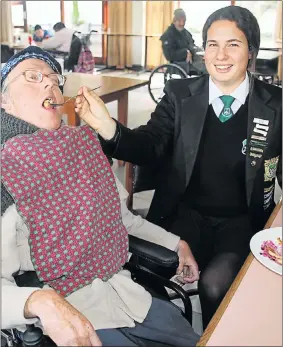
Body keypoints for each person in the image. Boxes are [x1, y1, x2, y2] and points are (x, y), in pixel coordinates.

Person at [75, 6, 282, 329]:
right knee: (147, 279)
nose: (221, 55)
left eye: (233, 44)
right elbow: (151, 144)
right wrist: (110, 129)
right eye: (212, 44)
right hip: (183, 213)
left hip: (240, 221)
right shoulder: (181, 95)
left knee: (215, 286)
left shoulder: (275, 105)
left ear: (251, 50)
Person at [1, 46, 200, 346]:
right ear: (3, 99)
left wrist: (176, 243)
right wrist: (37, 302)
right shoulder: (6, 172)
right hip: (65, 315)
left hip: (125, 294)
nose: (49, 84)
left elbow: (122, 221)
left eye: (55, 80)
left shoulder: (83, 147)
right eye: (32, 76)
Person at [160, 8, 206, 74]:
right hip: (181, 63)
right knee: (206, 69)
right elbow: (169, 55)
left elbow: (192, 44)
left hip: (193, 59)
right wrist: (185, 52)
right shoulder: (168, 35)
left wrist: (199, 50)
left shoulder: (186, 33)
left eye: (184, 21)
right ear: (174, 21)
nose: (182, 23)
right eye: (179, 21)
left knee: (209, 65)